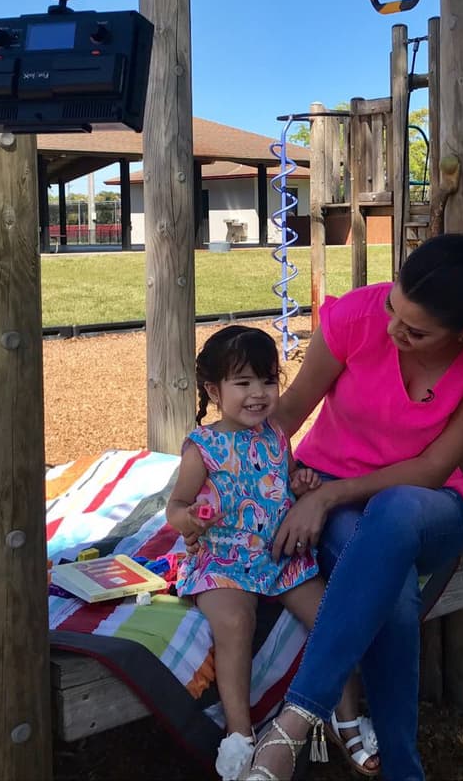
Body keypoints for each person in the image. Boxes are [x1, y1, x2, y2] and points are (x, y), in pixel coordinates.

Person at [244, 231, 463, 781]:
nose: (392, 330)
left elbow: (431, 470)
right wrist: (264, 478)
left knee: (394, 511)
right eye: (393, 308)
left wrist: (328, 496)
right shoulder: (356, 317)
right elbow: (285, 415)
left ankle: (296, 719)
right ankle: (403, 770)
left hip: (426, 507)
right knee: (396, 590)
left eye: (415, 330)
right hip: (329, 495)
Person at [167, 325, 381, 781]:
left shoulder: (276, 436)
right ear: (214, 390)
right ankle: (239, 732)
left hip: (281, 556)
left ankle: (345, 716)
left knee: (332, 616)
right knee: (234, 622)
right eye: (243, 383)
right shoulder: (202, 448)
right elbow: (175, 507)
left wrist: (301, 483)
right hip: (223, 559)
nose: (258, 394)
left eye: (267, 381)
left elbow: (284, 482)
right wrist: (190, 520)